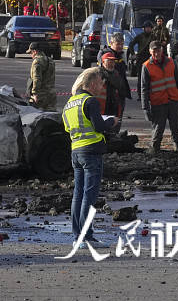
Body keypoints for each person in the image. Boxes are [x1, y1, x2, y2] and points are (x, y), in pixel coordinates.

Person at [62, 67, 118, 246]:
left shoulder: (69, 103)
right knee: (89, 195)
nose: (102, 88)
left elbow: (67, 128)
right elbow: (98, 126)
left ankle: (77, 235)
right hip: (91, 151)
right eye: (101, 84)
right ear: (92, 83)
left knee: (78, 194)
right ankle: (87, 236)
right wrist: (112, 121)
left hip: (76, 151)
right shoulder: (90, 101)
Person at [141, 41, 178, 152]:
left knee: (176, 128)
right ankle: (154, 150)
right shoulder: (146, 66)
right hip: (158, 103)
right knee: (158, 130)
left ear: (162, 50)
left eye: (159, 50)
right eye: (154, 50)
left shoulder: (172, 62)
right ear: (150, 51)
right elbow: (144, 89)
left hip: (173, 100)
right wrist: (145, 108)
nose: (157, 53)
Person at [129, 20, 155, 101]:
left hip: (150, 58)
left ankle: (150, 95)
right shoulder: (140, 36)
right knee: (141, 78)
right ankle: (141, 96)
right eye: (146, 28)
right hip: (141, 58)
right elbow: (131, 44)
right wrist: (133, 54)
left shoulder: (154, 37)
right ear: (144, 29)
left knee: (152, 78)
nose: (148, 29)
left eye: (149, 28)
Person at [26, 42, 56, 110]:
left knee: (36, 115)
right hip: (51, 93)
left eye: (31, 53)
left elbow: (37, 78)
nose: (31, 55)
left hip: (41, 95)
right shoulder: (50, 60)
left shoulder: (37, 62)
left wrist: (35, 93)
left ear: (35, 51)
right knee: (51, 116)